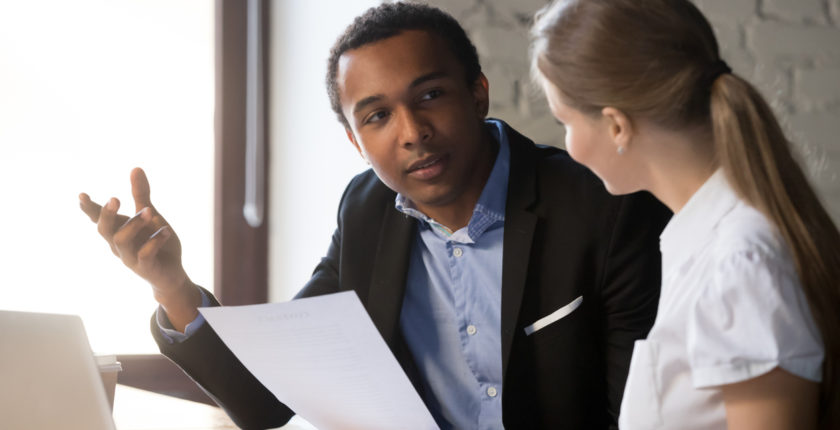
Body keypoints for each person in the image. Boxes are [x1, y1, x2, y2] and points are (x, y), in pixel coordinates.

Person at [79, 3, 670, 429]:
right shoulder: (367, 212)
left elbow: (646, 416)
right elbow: (268, 402)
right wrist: (172, 287)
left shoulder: (603, 206)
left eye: (431, 95)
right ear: (355, 141)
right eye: (378, 116)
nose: (413, 133)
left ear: (479, 94)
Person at [530, 0, 840, 428]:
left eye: (564, 120)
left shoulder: (738, 265)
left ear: (616, 125)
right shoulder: (707, 240)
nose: (567, 144)